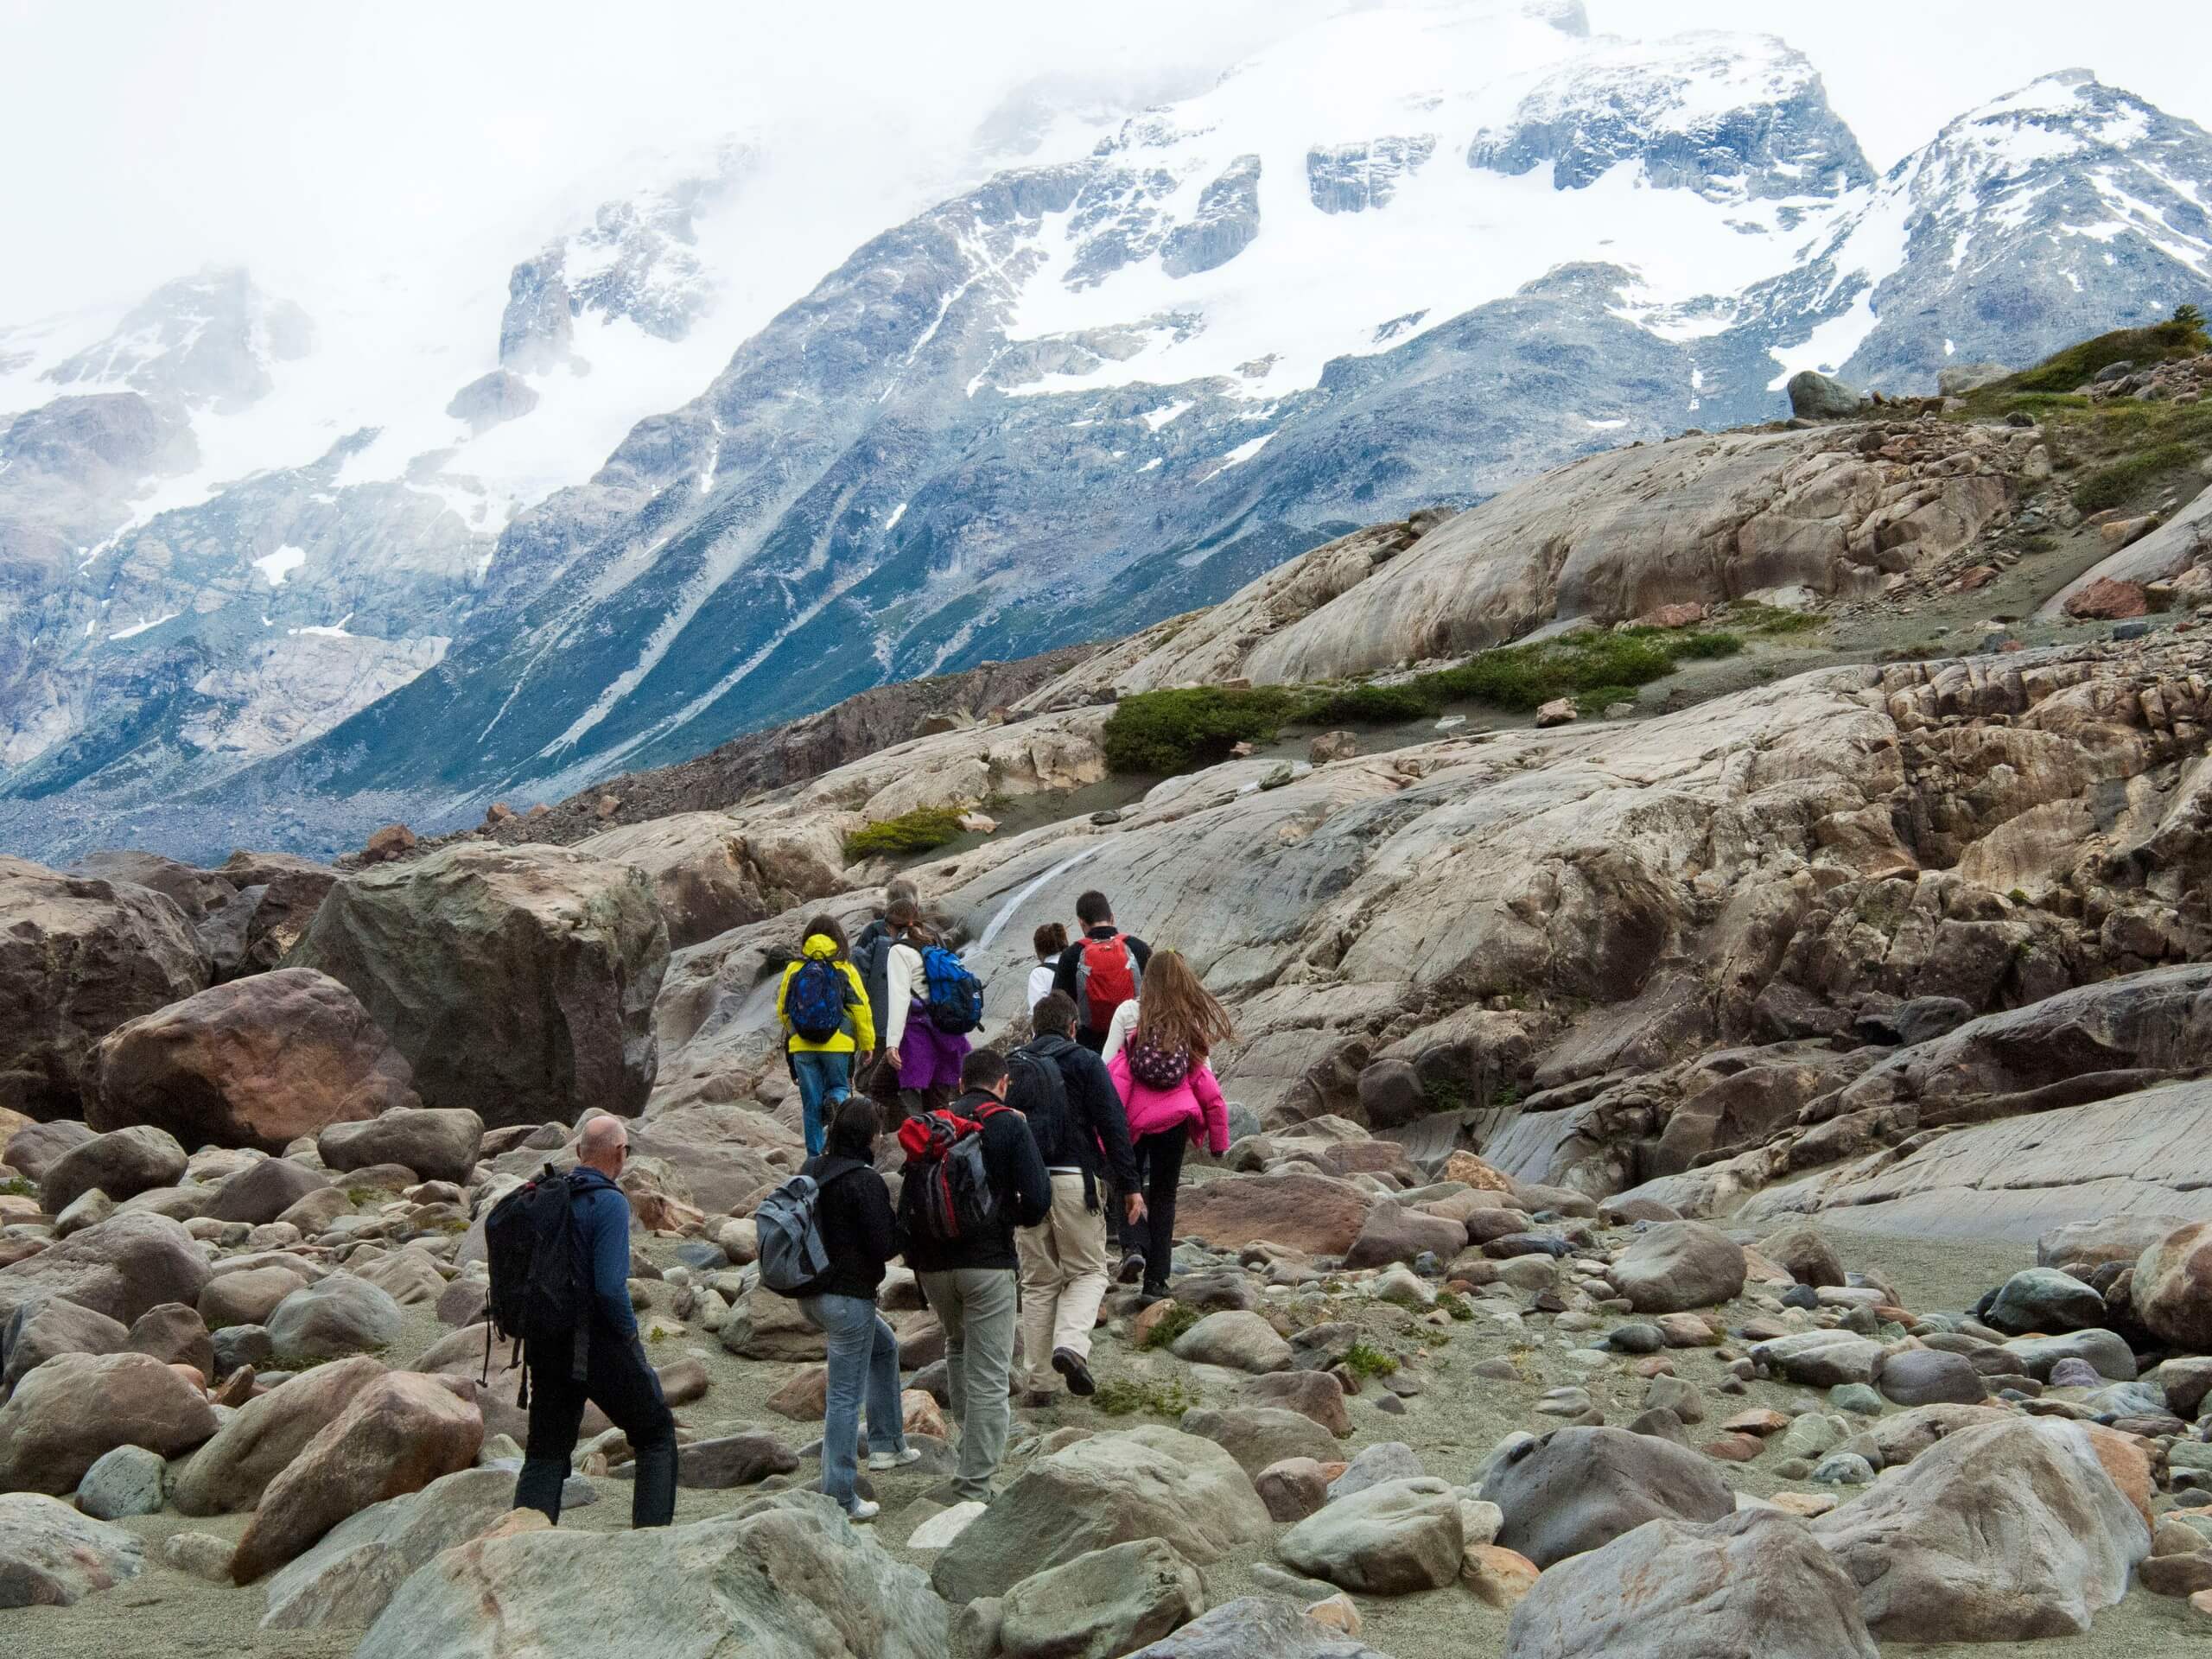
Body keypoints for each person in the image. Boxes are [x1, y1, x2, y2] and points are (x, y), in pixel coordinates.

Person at [901, 1048, 1051, 1502]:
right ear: (1002, 1083)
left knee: (957, 1346)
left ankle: (968, 1451)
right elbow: (1040, 1198)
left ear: (961, 1082)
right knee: (989, 1374)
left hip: (933, 1267)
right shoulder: (1008, 1122)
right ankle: (974, 1484)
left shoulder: (935, 1123)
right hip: (987, 1265)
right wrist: (1010, 1218)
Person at [514, 1116, 678, 1526]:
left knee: (546, 1452)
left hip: (546, 1341)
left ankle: (520, 1546)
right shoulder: (608, 1202)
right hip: (596, 1344)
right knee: (655, 1433)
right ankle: (652, 1544)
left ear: (578, 1153)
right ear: (620, 1154)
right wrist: (629, 1335)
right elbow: (608, 1287)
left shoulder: (551, 1196)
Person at [1009, 991, 1144, 1397]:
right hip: (1075, 1183)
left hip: (1025, 1187)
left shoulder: (1014, 1065)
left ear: (1033, 1027)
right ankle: (1070, 1344)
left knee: (1038, 1283)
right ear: (1073, 1027)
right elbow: (1113, 1125)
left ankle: (1039, 1383)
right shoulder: (1085, 1061)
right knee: (1089, 1272)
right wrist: (1131, 1186)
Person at [797, 1097, 918, 1521]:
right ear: (869, 1136)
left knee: (883, 1349)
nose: (881, 1136)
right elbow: (885, 1246)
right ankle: (840, 1496)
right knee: (845, 1398)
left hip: (809, 1295)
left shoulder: (811, 1168)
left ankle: (887, 1444)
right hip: (848, 1301)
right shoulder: (864, 1181)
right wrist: (908, 1216)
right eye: (878, 1130)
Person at [1105, 950, 1233, 1304]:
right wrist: (1217, 1136)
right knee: (1164, 1194)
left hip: (1133, 1118)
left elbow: (1106, 1066)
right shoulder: (1189, 1021)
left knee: (1125, 1180)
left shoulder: (1130, 1012)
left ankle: (1132, 1245)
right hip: (1176, 1119)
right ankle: (1157, 1281)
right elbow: (1206, 1078)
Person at [776, 914, 876, 1157]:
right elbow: (861, 1008)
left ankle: (814, 1157)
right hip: (838, 1044)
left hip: (803, 1047)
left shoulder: (795, 968)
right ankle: (837, 1113)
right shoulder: (844, 968)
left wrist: (796, 1033)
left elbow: (783, 1009)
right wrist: (867, 1044)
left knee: (810, 1104)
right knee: (840, 1087)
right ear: (838, 939)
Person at [878, 899, 969, 1120]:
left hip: (917, 1033)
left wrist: (892, 1044)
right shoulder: (933, 942)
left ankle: (909, 1136)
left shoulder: (898, 950)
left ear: (892, 926)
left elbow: (899, 998)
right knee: (937, 1100)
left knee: (880, 1086)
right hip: (946, 1031)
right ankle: (944, 1148)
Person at [1051, 890, 1153, 1052]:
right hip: (1136, 1043)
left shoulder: (1071, 956)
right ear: (1112, 918)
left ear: (1082, 924)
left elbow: (1058, 1008)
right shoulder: (1138, 948)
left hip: (1090, 1049)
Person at [851, 878, 918, 1038]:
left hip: (880, 1023)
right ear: (914, 903)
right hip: (919, 1026)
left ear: (889, 904)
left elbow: (855, 976)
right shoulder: (926, 933)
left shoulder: (874, 931)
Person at [1027, 921, 1068, 1015]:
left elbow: (1038, 1014)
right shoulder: (1077, 962)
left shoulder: (1039, 974)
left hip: (1059, 1027)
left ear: (1038, 951)